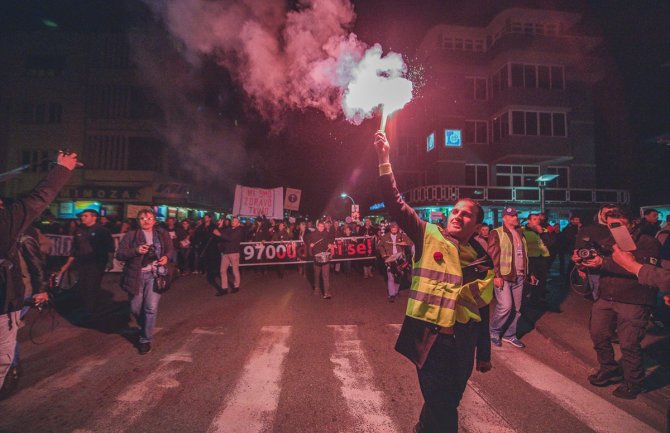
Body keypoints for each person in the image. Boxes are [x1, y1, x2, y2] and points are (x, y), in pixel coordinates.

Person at [374, 131, 494, 433]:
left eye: (466, 215)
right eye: (455, 211)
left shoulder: (482, 260)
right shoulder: (428, 234)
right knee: (442, 407)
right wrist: (384, 158)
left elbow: (482, 309)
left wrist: (484, 353)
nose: (457, 216)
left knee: (447, 402)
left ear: (477, 226)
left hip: (463, 343)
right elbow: (395, 203)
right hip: (431, 339)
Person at [0, 151, 77, 399]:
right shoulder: (8, 224)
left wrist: (39, 289)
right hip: (7, 299)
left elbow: (34, 262)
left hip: (16, 293)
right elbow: (37, 199)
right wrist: (62, 169)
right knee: (3, 351)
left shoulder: (22, 232)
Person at [580, 209, 660, 399]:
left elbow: (642, 268)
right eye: (610, 225)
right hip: (607, 297)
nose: (614, 229)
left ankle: (634, 382)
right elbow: (598, 262)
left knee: (629, 343)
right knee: (598, 334)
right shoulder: (608, 241)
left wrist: (603, 263)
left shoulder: (649, 242)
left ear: (633, 222)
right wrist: (585, 262)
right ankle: (609, 369)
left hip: (635, 300)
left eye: (618, 224)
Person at [116, 209, 173, 355]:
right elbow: (120, 254)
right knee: (135, 308)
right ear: (138, 221)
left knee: (150, 308)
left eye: (149, 218)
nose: (146, 221)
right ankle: (145, 326)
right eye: (142, 218)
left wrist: (166, 257)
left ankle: (145, 339)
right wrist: (136, 250)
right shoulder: (131, 235)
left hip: (155, 275)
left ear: (154, 220)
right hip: (136, 277)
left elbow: (170, 250)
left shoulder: (162, 234)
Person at [55, 208, 114, 323]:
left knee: (91, 287)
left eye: (85, 216)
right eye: (82, 216)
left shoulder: (102, 231)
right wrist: (66, 266)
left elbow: (110, 248)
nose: (82, 218)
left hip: (96, 264)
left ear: (94, 217)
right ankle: (86, 309)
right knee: (82, 287)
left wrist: (109, 262)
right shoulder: (78, 230)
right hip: (81, 264)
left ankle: (90, 313)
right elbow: (74, 250)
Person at [488, 207, 533, 349]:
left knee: (516, 309)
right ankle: (494, 331)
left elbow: (524, 255)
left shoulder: (520, 233)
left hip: (519, 276)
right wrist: (496, 275)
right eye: (511, 215)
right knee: (505, 306)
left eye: (515, 215)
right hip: (504, 276)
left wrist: (528, 273)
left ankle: (509, 335)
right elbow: (493, 255)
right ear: (504, 218)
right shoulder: (496, 233)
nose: (515, 217)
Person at [574, 204, 620, 300]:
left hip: (620, 269)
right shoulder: (588, 229)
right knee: (600, 299)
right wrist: (579, 265)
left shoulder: (622, 229)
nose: (610, 215)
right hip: (595, 270)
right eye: (607, 213)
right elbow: (578, 250)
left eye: (613, 213)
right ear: (599, 214)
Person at [378, 222, 413, 303]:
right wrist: (383, 254)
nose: (394, 229)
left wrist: (406, 243)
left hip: (400, 258)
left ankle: (396, 292)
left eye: (395, 228)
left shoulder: (402, 236)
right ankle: (391, 294)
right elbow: (379, 246)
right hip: (389, 258)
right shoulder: (385, 237)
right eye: (392, 228)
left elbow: (411, 242)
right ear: (390, 229)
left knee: (399, 276)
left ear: (398, 229)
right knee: (390, 276)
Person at [523, 213, 551, 308]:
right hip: (529, 259)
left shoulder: (544, 230)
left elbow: (550, 243)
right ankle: (525, 300)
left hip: (542, 258)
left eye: (538, 219)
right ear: (528, 220)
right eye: (535, 219)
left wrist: (541, 233)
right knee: (528, 281)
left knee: (541, 281)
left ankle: (536, 301)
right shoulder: (522, 230)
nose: (537, 221)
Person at [217, 217, 244, 296]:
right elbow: (223, 233)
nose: (233, 222)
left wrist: (220, 234)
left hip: (234, 253)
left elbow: (230, 238)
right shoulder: (229, 229)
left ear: (238, 223)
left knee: (235, 270)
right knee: (222, 270)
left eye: (235, 221)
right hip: (226, 252)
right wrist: (220, 226)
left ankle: (236, 286)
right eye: (232, 221)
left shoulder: (239, 230)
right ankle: (224, 288)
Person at [308, 221, 334, 299]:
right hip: (316, 257)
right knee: (317, 274)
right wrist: (310, 244)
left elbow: (331, 240)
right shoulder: (312, 234)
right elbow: (306, 240)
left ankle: (326, 292)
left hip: (325, 256)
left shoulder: (326, 233)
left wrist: (330, 243)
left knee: (325, 275)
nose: (321, 228)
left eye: (323, 226)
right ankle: (317, 289)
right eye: (320, 226)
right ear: (317, 226)